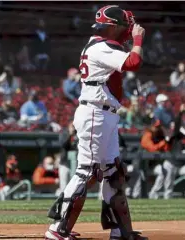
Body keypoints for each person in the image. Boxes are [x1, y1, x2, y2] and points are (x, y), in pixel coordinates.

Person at [45, 6, 148, 240]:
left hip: (105, 114)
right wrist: (138, 39)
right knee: (87, 171)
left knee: (113, 172)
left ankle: (120, 231)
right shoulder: (102, 46)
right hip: (95, 113)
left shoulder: (102, 44)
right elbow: (133, 62)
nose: (127, 30)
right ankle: (58, 229)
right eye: (124, 25)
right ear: (112, 25)